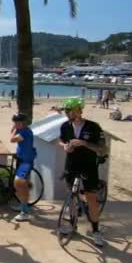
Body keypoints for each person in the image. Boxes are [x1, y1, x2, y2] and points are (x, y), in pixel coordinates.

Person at [58, 98, 108, 247]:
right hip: (71, 165)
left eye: (69, 110)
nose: (67, 113)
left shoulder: (93, 127)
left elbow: (102, 149)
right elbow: (60, 140)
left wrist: (84, 143)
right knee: (71, 196)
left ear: (79, 110)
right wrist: (65, 146)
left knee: (91, 199)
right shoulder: (65, 126)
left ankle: (95, 230)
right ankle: (73, 224)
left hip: (88, 166)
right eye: (66, 111)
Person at [10, 113, 36, 222]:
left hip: (26, 162)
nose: (16, 124)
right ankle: (22, 205)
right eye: (15, 122)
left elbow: (12, 139)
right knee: (19, 186)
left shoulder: (25, 132)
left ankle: (24, 212)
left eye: (18, 123)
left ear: (23, 123)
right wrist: (15, 129)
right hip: (21, 160)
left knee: (19, 184)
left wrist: (14, 130)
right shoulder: (21, 130)